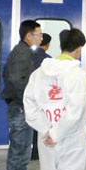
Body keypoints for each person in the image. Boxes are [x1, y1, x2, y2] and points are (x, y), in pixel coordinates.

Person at [23, 28, 86, 170]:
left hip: (46, 138)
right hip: (71, 137)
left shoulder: (39, 73)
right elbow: (74, 112)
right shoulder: (78, 75)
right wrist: (56, 133)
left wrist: (46, 130)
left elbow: (29, 105)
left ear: (61, 46)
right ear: (79, 48)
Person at [1, 19, 42, 170]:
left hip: (19, 107)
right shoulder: (21, 54)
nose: (41, 38)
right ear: (28, 35)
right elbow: (17, 82)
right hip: (20, 110)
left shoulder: (23, 52)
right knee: (19, 156)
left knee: (18, 155)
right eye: (39, 34)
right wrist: (29, 103)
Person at [31, 33, 52, 161]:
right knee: (41, 125)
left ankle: (29, 150)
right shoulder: (48, 60)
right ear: (48, 44)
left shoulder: (28, 56)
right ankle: (37, 151)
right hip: (43, 97)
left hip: (29, 96)